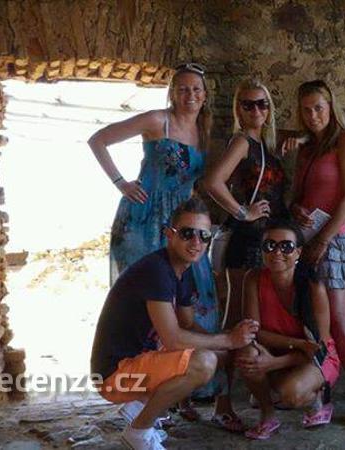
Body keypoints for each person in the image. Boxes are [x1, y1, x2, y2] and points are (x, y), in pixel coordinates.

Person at [88, 63, 230, 425]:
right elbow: (98, 140)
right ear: (172, 93)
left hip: (184, 225)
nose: (190, 95)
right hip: (145, 218)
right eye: (182, 88)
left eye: (196, 89)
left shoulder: (202, 130)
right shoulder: (156, 120)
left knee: (195, 300)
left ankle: (183, 389)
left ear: (205, 95)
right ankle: (144, 394)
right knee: (147, 307)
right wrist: (120, 182)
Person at [90, 198, 259, 450]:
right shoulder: (156, 271)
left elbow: (187, 323)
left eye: (204, 236)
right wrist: (228, 340)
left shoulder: (182, 270)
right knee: (203, 362)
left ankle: (139, 406)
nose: (196, 242)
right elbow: (173, 339)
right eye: (187, 233)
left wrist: (232, 344)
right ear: (170, 234)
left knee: (215, 355)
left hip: (137, 363)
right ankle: (138, 431)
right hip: (114, 375)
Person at [286, 80, 345, 433]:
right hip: (305, 238)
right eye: (307, 110)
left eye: (319, 108)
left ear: (331, 107)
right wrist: (296, 209)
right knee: (311, 322)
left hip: (334, 238)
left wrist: (323, 240)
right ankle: (321, 397)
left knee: (338, 319)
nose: (313, 115)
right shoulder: (307, 149)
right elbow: (296, 196)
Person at [236, 220, 341, 440]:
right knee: (246, 353)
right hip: (278, 351)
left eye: (286, 246)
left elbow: (318, 348)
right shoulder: (253, 279)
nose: (277, 252)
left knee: (292, 394)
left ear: (298, 252)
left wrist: (273, 363)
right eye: (270, 245)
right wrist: (296, 345)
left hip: (316, 359)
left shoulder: (313, 287)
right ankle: (267, 414)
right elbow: (254, 332)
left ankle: (317, 399)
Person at [203, 79, 289, 327]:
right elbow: (213, 182)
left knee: (256, 311)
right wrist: (243, 212)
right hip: (246, 237)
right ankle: (224, 354)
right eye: (248, 105)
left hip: (265, 237)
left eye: (262, 104)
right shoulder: (242, 142)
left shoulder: (265, 145)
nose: (256, 110)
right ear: (238, 110)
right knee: (238, 312)